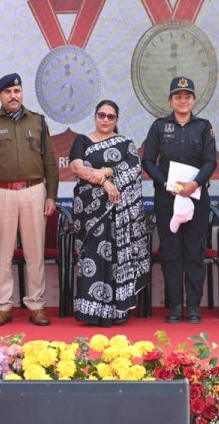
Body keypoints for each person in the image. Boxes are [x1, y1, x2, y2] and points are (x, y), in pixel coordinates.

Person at [0, 72, 59, 327]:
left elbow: (49, 161)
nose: (13, 96)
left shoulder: (37, 121)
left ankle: (36, 305)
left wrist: (51, 195)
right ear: (0, 96)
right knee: (2, 254)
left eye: (17, 91)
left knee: (35, 253)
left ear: (22, 94)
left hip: (34, 191)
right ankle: (3, 307)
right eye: (8, 92)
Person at [69, 100, 150, 327]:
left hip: (119, 213)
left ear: (116, 120)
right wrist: (105, 181)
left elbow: (133, 170)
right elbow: (77, 168)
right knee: (92, 256)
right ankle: (90, 310)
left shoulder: (125, 144)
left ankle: (117, 309)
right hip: (89, 212)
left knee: (116, 256)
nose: (105, 120)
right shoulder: (82, 140)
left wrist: (105, 170)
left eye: (110, 116)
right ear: (95, 116)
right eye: (101, 115)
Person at [142, 76, 217, 324]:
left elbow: (210, 161)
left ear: (194, 100)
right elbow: (148, 161)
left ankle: (193, 307)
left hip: (196, 196)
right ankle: (174, 306)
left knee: (195, 251)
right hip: (167, 197)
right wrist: (166, 184)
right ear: (170, 100)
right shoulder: (159, 127)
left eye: (187, 96)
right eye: (178, 96)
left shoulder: (203, 127)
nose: (182, 100)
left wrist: (195, 183)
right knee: (171, 252)